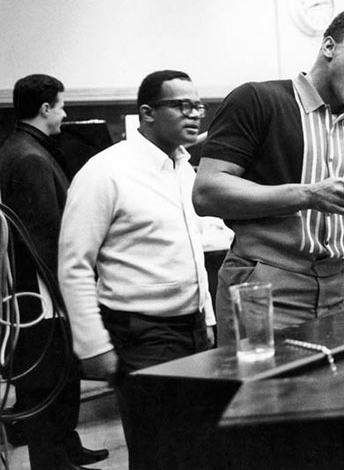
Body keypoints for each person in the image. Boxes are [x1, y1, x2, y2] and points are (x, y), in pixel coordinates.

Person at [192, 7, 344, 345]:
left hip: (334, 291)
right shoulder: (259, 100)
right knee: (260, 393)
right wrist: (308, 195)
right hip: (265, 286)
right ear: (329, 46)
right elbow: (206, 192)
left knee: (322, 394)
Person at [58, 70, 215, 469]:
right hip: (142, 335)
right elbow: (74, 266)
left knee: (195, 448)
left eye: (198, 105)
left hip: (193, 331)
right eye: (182, 106)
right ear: (146, 113)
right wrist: (93, 346)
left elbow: (192, 250)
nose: (195, 114)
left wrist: (208, 320)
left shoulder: (184, 168)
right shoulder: (105, 171)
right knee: (158, 452)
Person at [0, 75, 109, 470]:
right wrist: (74, 293)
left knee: (61, 379)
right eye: (61, 107)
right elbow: (46, 234)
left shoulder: (22, 148)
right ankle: (54, 459)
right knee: (50, 382)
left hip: (38, 291)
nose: (64, 115)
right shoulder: (29, 157)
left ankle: (66, 447)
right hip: (43, 294)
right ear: (45, 109)